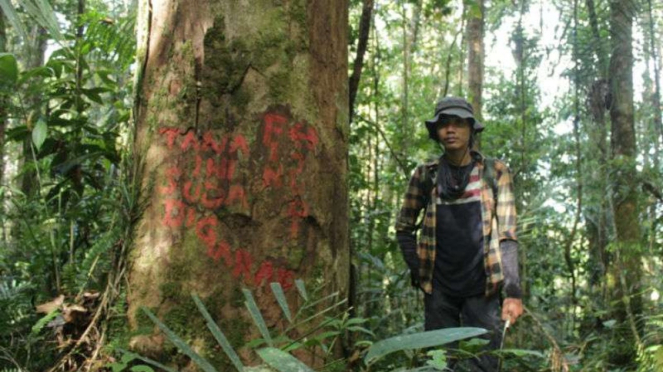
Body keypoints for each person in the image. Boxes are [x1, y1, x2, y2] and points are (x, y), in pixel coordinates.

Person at [395, 97, 523, 371]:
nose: (450, 130)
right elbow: (404, 227)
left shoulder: (495, 172)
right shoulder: (425, 175)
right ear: (437, 132)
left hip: (483, 289)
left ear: (471, 129)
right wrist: (418, 270)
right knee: (439, 365)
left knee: (486, 364)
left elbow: (508, 236)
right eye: (443, 124)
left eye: (458, 123)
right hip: (439, 291)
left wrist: (513, 292)